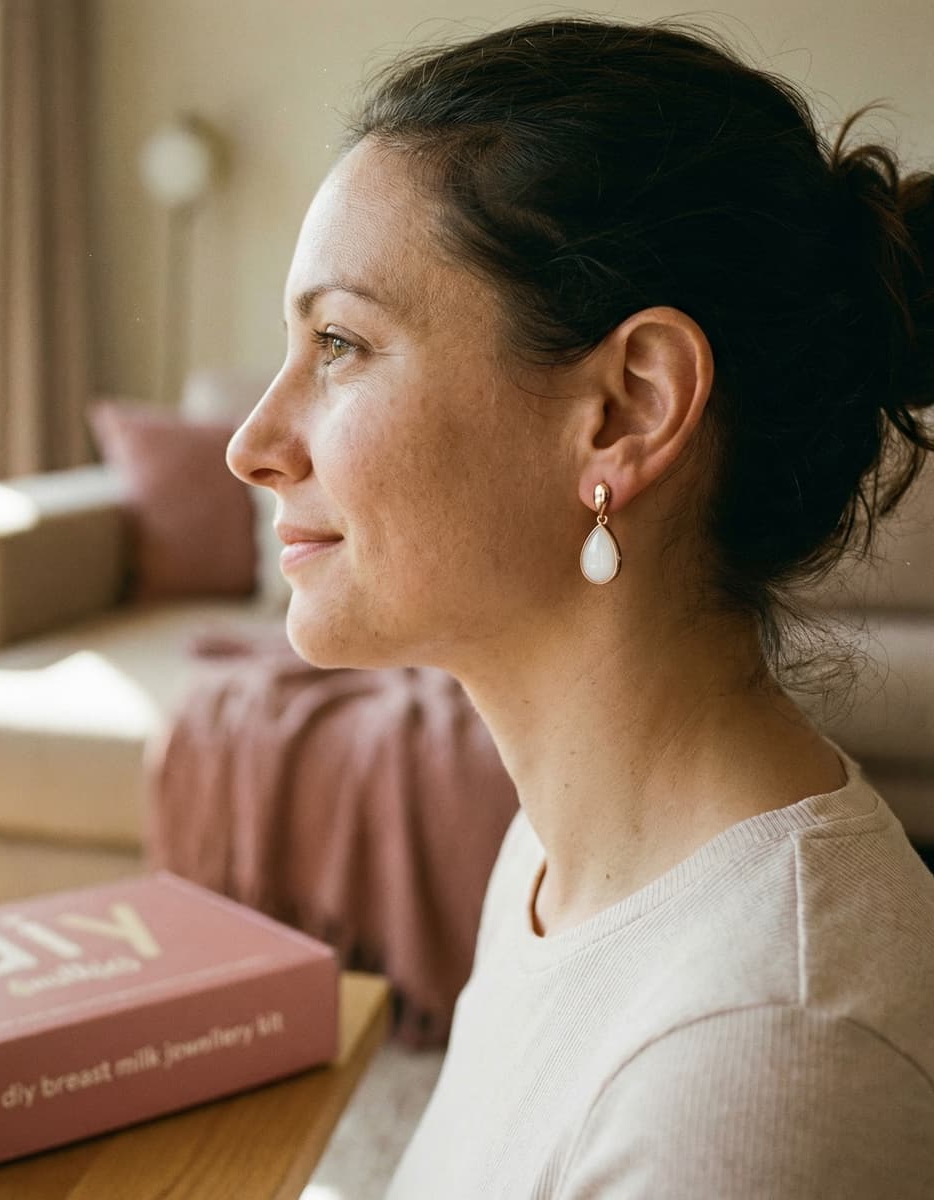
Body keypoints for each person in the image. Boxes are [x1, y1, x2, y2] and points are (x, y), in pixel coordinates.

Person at [226, 16, 934, 1198]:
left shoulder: (765, 1063)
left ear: (627, 409)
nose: (252, 445)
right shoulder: (561, 864)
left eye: (341, 342)